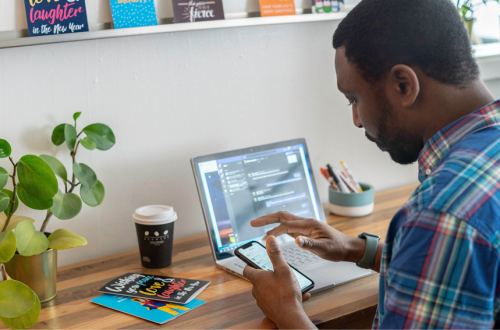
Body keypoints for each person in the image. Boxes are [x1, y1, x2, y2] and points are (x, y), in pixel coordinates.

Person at [243, 0, 500, 328]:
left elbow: (448, 236)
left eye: (354, 99)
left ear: (403, 86)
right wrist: (355, 248)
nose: (356, 120)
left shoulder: (442, 214)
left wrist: (286, 311)